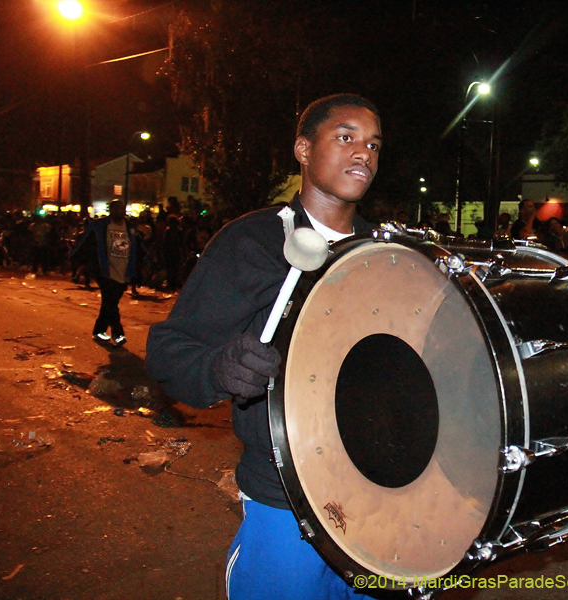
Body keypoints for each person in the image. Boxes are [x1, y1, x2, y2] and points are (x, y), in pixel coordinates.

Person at [146, 94, 380, 600]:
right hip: (285, 497)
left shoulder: (385, 254)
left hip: (379, 495)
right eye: (345, 137)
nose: (363, 153)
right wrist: (219, 368)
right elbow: (169, 348)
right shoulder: (250, 242)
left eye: (372, 144)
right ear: (302, 148)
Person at [70, 200, 139, 346]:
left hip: (124, 271)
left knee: (110, 303)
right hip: (105, 271)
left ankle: (99, 330)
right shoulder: (99, 226)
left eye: (121, 209)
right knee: (111, 302)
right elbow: (83, 243)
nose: (119, 211)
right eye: (116, 209)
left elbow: (138, 248)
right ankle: (118, 334)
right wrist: (76, 258)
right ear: (111, 210)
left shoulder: (130, 228)